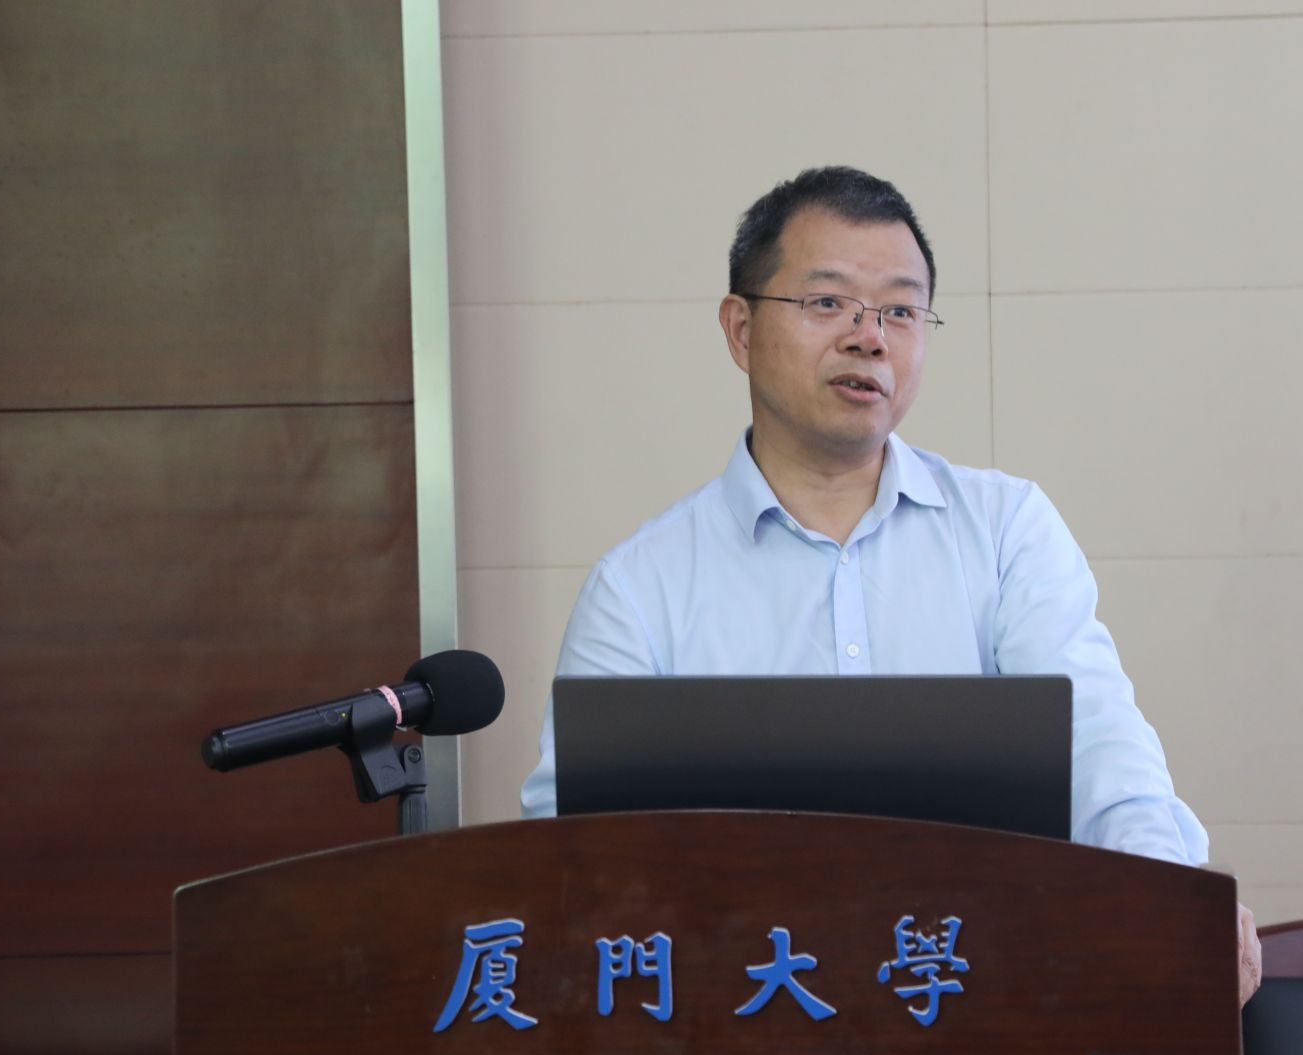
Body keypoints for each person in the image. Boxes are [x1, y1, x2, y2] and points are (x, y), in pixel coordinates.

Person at [519, 166, 1260, 1004]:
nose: (869, 338)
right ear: (741, 330)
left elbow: (1098, 745)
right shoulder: (640, 586)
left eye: (901, 312)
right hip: (742, 1007)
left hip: (976, 993)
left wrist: (1167, 894)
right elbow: (567, 852)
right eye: (827, 302)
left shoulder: (1005, 530)